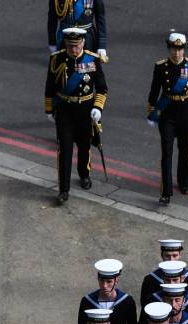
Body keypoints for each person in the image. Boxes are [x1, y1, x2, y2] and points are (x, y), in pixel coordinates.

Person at [45, 28, 108, 204]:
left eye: (77, 45)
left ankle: (84, 174)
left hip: (85, 110)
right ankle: (63, 190)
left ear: (83, 43)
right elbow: (50, 86)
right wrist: (49, 109)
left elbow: (102, 88)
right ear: (66, 44)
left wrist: (98, 107)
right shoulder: (56, 58)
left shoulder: (92, 60)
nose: (74, 50)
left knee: (84, 145)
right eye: (71, 46)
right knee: (64, 150)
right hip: (65, 110)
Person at [146, 32, 188, 205]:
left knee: (184, 149)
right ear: (169, 48)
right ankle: (166, 191)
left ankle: (184, 181)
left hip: (186, 112)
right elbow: (154, 91)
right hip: (167, 113)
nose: (177, 53)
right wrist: (152, 113)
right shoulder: (160, 67)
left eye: (180, 49)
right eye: (174, 49)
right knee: (167, 151)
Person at [76, 259, 137, 324]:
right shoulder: (87, 301)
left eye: (109, 282)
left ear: (116, 281)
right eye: (101, 280)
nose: (105, 286)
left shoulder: (126, 301)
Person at [140, 238, 188, 307]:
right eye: (167, 256)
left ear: (180, 255)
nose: (171, 260)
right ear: (162, 256)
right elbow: (145, 306)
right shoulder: (150, 280)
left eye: (175, 255)